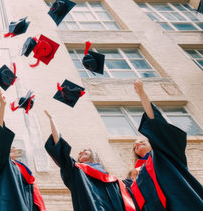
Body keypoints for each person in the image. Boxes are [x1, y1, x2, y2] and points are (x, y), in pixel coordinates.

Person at [129, 80, 203, 210]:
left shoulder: (165, 153)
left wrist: (142, 94)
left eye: (142, 141)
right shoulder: (138, 174)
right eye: (135, 145)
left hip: (182, 203)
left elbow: (155, 122)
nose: (137, 143)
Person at [43, 110, 136, 211]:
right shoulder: (75, 170)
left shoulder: (115, 181)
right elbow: (59, 146)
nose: (81, 152)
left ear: (93, 154)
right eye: (80, 153)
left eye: (85, 150)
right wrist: (52, 120)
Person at [0, 89, 46, 211]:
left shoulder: (23, 169)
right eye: (10, 147)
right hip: (6, 205)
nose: (12, 148)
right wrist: (2, 106)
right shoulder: (3, 164)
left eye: (14, 147)